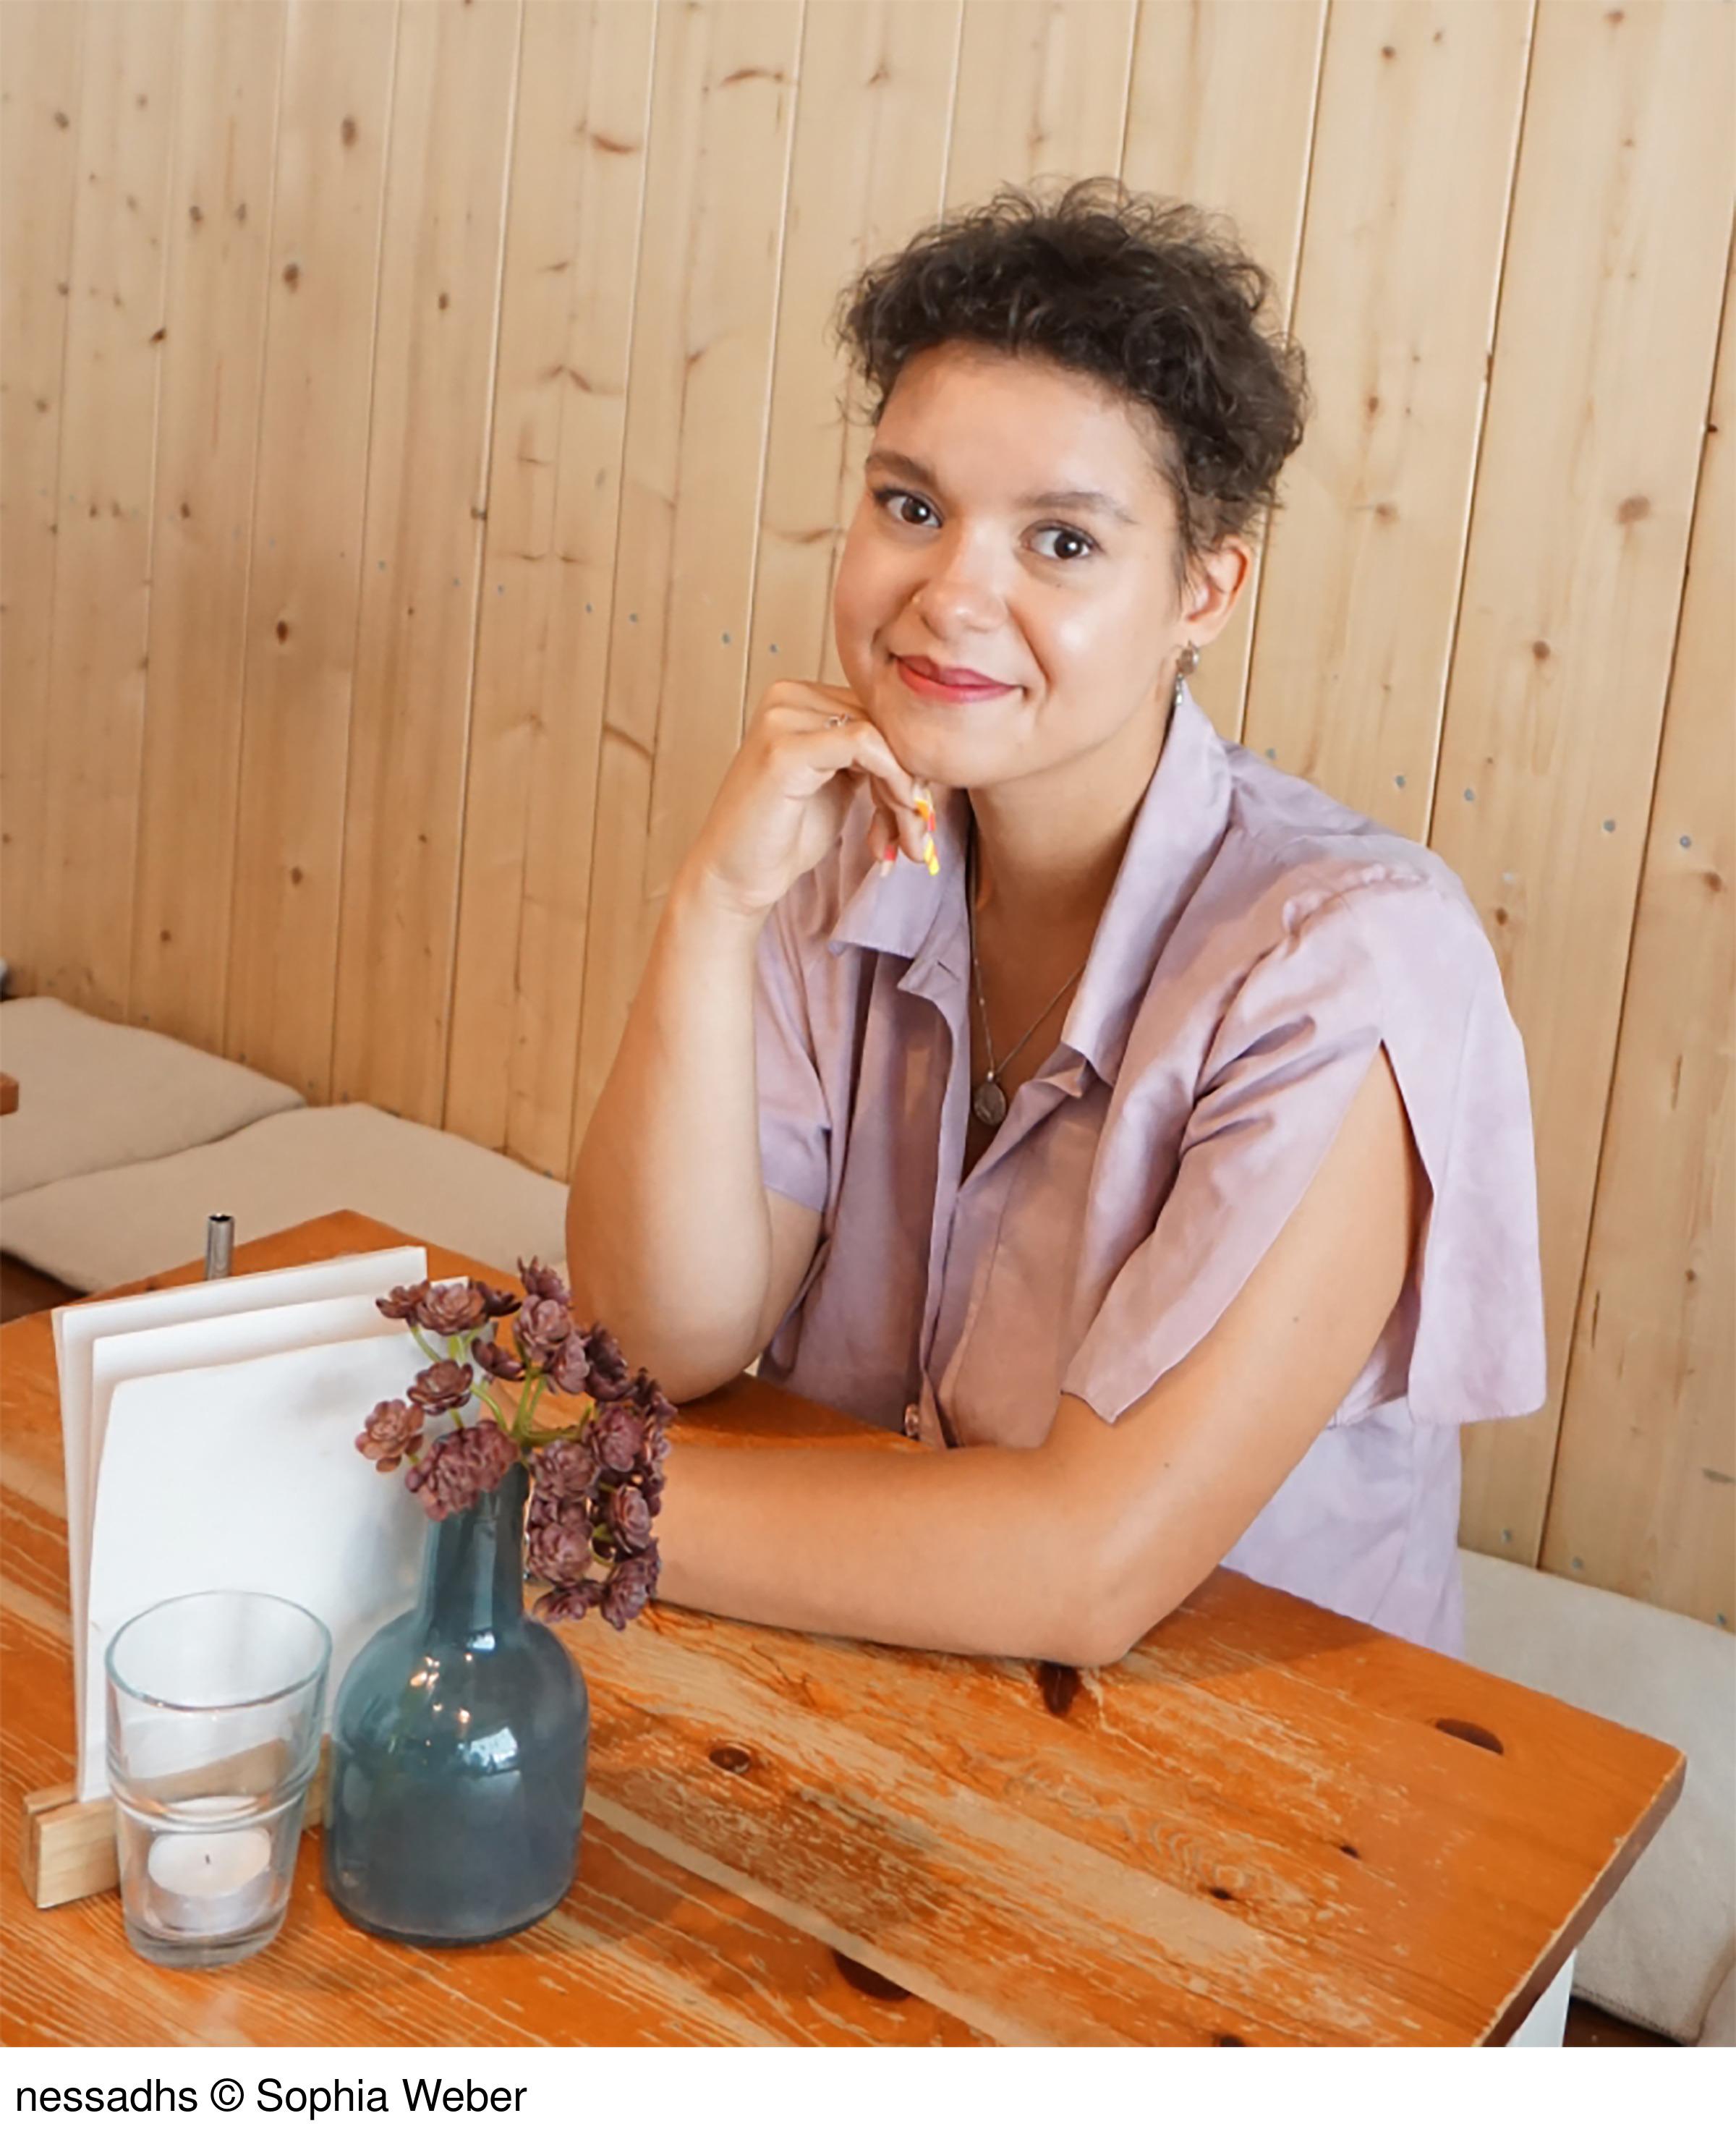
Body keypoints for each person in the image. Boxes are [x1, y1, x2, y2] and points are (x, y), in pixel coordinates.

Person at [565, 180, 1546, 1665]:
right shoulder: (840, 846)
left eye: (1064, 544)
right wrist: (714, 905)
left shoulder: (1350, 957)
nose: (952, 593)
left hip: (1249, 1783)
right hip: (859, 1669)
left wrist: (566, 1492)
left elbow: (1084, 1568)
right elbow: (664, 1337)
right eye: (911, 506)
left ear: (1203, 590)